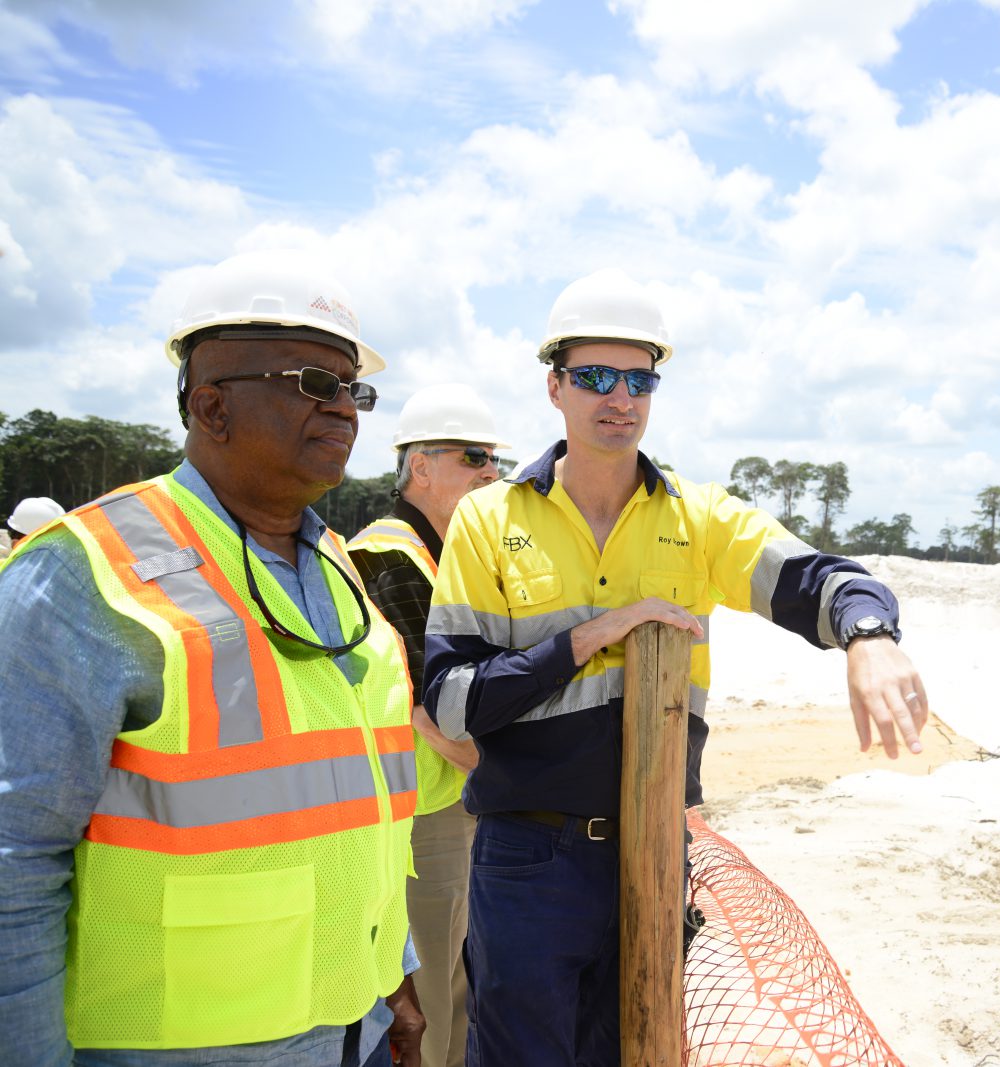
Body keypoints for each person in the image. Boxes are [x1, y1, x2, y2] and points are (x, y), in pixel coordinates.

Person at [422, 269, 930, 1066]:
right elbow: (452, 702)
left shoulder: (698, 518)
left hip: (656, 853)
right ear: (555, 385)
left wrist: (869, 635)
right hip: (526, 859)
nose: (620, 397)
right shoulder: (489, 519)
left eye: (640, 379)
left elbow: (815, 577)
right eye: (596, 376)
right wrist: (587, 638)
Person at [0, 250, 425, 1067]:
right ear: (211, 406)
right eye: (314, 382)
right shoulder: (85, 573)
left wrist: (392, 973)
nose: (345, 408)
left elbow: (359, 801)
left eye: (354, 389)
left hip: (352, 1025)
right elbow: (14, 862)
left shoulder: (336, 566)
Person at [347, 384, 509, 1067]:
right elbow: (429, 706)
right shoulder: (388, 557)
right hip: (424, 814)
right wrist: (513, 774)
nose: (491, 472)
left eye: (495, 459)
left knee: (464, 982)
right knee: (435, 991)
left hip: (456, 799)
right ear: (420, 466)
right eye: (474, 456)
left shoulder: (444, 554)